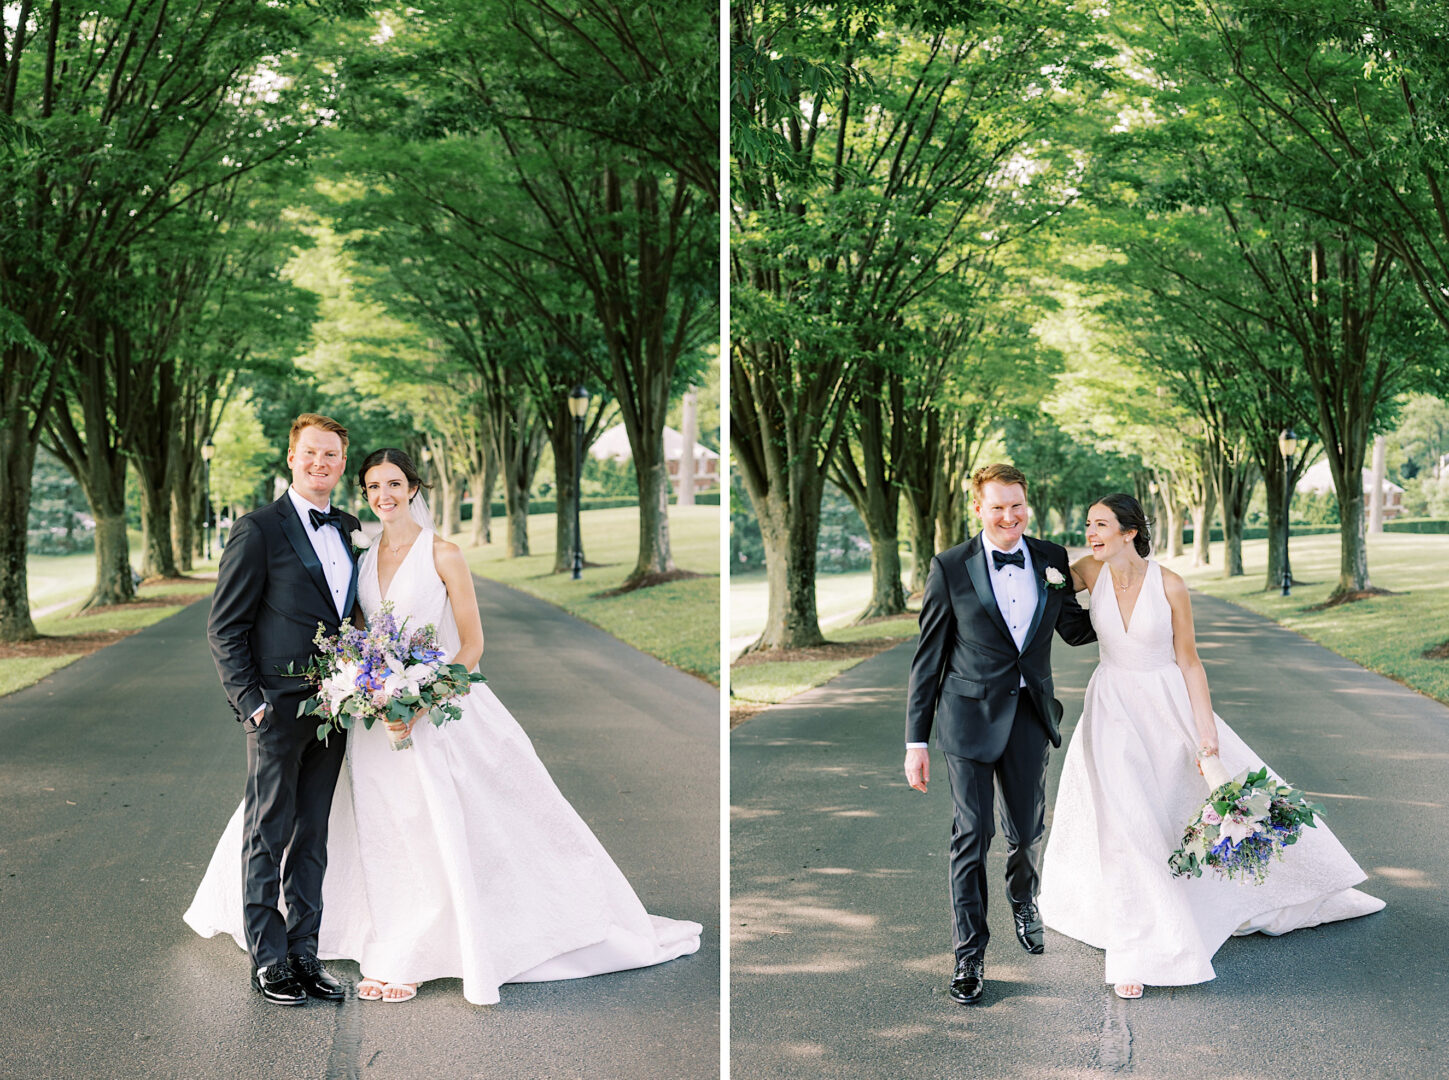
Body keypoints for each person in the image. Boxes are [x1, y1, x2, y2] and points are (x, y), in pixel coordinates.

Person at [186, 448, 701, 1005]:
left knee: (438, 831)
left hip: (437, 714)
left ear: (414, 488)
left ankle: (424, 951)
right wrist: (370, 691)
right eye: (374, 486)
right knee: (384, 832)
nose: (384, 495)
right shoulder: (360, 551)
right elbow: (358, 636)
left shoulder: (446, 554)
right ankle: (367, 944)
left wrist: (421, 700)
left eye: (395, 484)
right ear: (364, 495)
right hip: (374, 719)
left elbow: (473, 646)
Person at [1037, 493, 1384, 1000]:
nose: (1090, 532)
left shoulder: (1170, 585)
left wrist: (1207, 736)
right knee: (1128, 824)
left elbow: (1190, 661)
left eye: (1101, 524)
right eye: (1088, 523)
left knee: (1178, 813)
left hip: (1167, 705)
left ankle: (1246, 898)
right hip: (1111, 709)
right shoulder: (1088, 570)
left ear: (1130, 532)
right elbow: (1031, 583)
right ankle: (1139, 949)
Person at [904, 463, 1098, 1006]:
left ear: (1026, 504)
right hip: (965, 721)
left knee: (1028, 829)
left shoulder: (1052, 560)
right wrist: (914, 742)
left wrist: (1122, 580)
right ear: (978, 510)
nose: (1009, 516)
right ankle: (969, 956)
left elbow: (1076, 629)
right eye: (997, 507)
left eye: (1017, 505)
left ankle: (1023, 896)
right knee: (971, 836)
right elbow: (928, 661)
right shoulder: (948, 568)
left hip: (1030, 717)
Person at [204, 413, 361, 1006]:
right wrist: (252, 706)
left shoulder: (348, 530)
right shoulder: (258, 529)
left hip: (336, 709)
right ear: (291, 458)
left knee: (314, 835)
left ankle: (304, 953)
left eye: (332, 456)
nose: (321, 464)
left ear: (342, 466)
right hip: (276, 709)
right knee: (267, 832)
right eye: (311, 453)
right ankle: (267, 960)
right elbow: (226, 628)